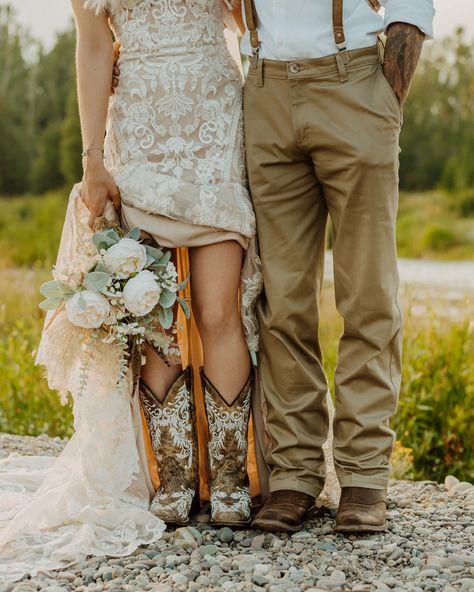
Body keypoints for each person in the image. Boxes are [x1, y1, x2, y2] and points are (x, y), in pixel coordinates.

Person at [0, 0, 266, 581]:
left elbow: (251, 21)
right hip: (139, 130)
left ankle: (227, 477)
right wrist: (92, 157)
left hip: (214, 120)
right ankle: (172, 474)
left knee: (217, 309)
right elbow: (93, 46)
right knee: (152, 307)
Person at [241, 0, 435, 533]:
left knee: (368, 293)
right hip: (263, 90)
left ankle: (364, 475)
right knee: (282, 301)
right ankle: (295, 475)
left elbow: (412, 5)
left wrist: (386, 98)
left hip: (352, 81)